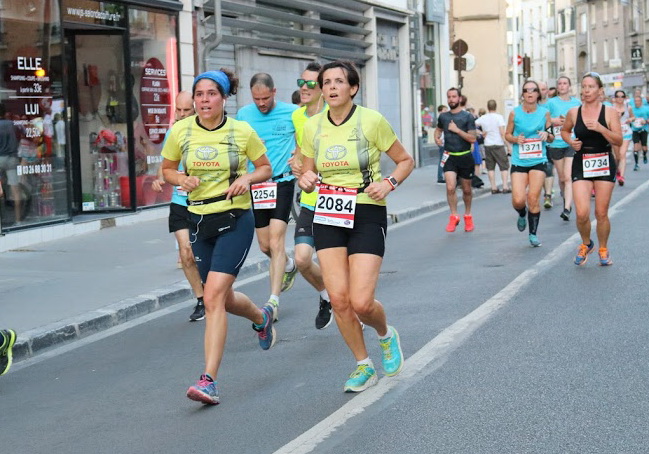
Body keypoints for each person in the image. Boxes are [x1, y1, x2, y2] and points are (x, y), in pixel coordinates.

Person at [298, 60, 414, 392]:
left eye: (338, 81)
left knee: (362, 302)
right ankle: (363, 365)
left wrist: (389, 183)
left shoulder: (371, 121)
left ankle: (385, 334)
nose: (331, 87)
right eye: (326, 82)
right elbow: (308, 175)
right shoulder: (312, 127)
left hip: (365, 211)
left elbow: (406, 160)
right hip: (329, 213)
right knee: (339, 299)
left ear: (353, 88)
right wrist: (305, 178)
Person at [161, 70, 276, 405]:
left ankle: (208, 381)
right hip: (198, 221)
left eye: (211, 94)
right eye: (199, 95)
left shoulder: (241, 131)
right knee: (222, 299)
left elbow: (265, 167)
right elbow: (166, 169)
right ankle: (261, 317)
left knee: (212, 296)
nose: (204, 100)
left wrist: (248, 179)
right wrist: (180, 178)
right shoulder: (180, 131)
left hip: (234, 219)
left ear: (223, 98)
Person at [237, 73, 299, 321]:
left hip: (282, 181)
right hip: (257, 185)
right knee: (264, 246)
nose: (261, 103)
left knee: (276, 242)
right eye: (256, 99)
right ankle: (289, 265)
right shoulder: (243, 115)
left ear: (274, 92)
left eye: (265, 98)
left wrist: (300, 154)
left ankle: (272, 302)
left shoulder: (292, 112)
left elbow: (308, 139)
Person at [152, 90, 205, 321]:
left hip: (205, 203)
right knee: (186, 253)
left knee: (203, 255)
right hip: (179, 202)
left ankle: (216, 292)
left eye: (186, 110)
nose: (182, 115)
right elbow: (165, 166)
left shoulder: (204, 132)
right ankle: (201, 300)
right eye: (178, 110)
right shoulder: (172, 133)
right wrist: (160, 178)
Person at [288, 62, 333, 329]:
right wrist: (296, 162)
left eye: (310, 84)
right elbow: (300, 151)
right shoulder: (298, 116)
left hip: (335, 201)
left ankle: (351, 310)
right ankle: (326, 296)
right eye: (300, 83)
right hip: (309, 199)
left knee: (336, 264)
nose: (304, 88)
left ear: (323, 88)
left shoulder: (334, 113)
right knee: (303, 258)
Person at [561, 72, 622, 266]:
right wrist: (571, 141)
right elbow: (564, 130)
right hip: (582, 160)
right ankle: (587, 243)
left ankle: (603, 249)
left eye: (591, 87)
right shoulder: (574, 112)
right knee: (581, 213)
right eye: (584, 86)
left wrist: (600, 128)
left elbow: (618, 140)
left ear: (600, 90)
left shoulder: (609, 112)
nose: (586, 90)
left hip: (603, 159)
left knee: (601, 213)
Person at [504, 80, 554, 247]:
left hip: (538, 160)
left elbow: (551, 135)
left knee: (533, 198)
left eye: (533, 90)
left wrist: (547, 135)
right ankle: (521, 212)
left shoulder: (545, 113)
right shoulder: (515, 113)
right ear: (522, 94)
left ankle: (533, 234)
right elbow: (507, 134)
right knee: (518, 200)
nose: (530, 93)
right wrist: (515, 139)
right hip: (520, 160)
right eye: (526, 90)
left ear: (538, 94)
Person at [434, 88, 477, 232]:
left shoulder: (468, 117)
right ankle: (453, 216)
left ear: (459, 98)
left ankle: (468, 215)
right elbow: (438, 129)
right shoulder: (443, 117)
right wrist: (436, 137)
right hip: (449, 156)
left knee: (466, 190)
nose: (451, 99)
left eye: (454, 97)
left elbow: (473, 138)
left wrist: (457, 130)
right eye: (449, 97)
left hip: (465, 156)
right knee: (450, 187)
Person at [546, 76, 582, 221]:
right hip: (556, 143)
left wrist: (570, 122)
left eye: (564, 83)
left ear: (569, 86)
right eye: (559, 83)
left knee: (568, 177)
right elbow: (545, 119)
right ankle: (565, 196)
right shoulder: (551, 103)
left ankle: (567, 208)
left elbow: (581, 119)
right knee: (561, 178)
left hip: (571, 143)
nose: (562, 86)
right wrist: (557, 120)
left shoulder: (576, 102)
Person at [475, 100, 511, 193]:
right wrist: (508, 145)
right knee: (504, 166)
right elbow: (502, 132)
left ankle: (493, 187)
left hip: (488, 144)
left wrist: (480, 132)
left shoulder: (483, 118)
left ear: (488, 107)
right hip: (498, 144)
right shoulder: (499, 117)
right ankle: (505, 186)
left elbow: (472, 124)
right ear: (496, 106)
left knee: (490, 167)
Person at [538, 81, 555, 210]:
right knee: (542, 169)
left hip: (551, 140)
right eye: (539, 89)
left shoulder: (552, 104)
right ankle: (546, 190)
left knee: (548, 167)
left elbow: (559, 118)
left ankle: (548, 195)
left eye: (544, 89)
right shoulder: (530, 105)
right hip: (536, 143)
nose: (542, 91)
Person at [612, 90, 632, 186]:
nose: (620, 98)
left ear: (624, 98)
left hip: (626, 133)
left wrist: (629, 120)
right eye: (618, 96)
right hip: (615, 134)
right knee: (617, 156)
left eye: (622, 96)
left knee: (622, 154)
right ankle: (617, 171)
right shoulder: (611, 109)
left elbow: (633, 117)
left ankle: (621, 177)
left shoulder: (628, 107)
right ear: (615, 98)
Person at [630, 95, 649, 171]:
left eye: (638, 101)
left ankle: (644, 155)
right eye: (635, 101)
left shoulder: (646, 109)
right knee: (636, 146)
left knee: (644, 147)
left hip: (644, 129)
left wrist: (646, 121)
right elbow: (630, 117)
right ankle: (636, 164)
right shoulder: (632, 109)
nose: (637, 102)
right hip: (635, 130)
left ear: (641, 101)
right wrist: (631, 120)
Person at [436, 104, 448, 184]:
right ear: (440, 111)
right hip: (443, 142)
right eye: (444, 110)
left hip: (444, 142)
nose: (446, 111)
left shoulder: (443, 118)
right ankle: (440, 177)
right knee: (443, 160)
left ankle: (443, 175)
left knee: (444, 159)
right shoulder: (441, 119)